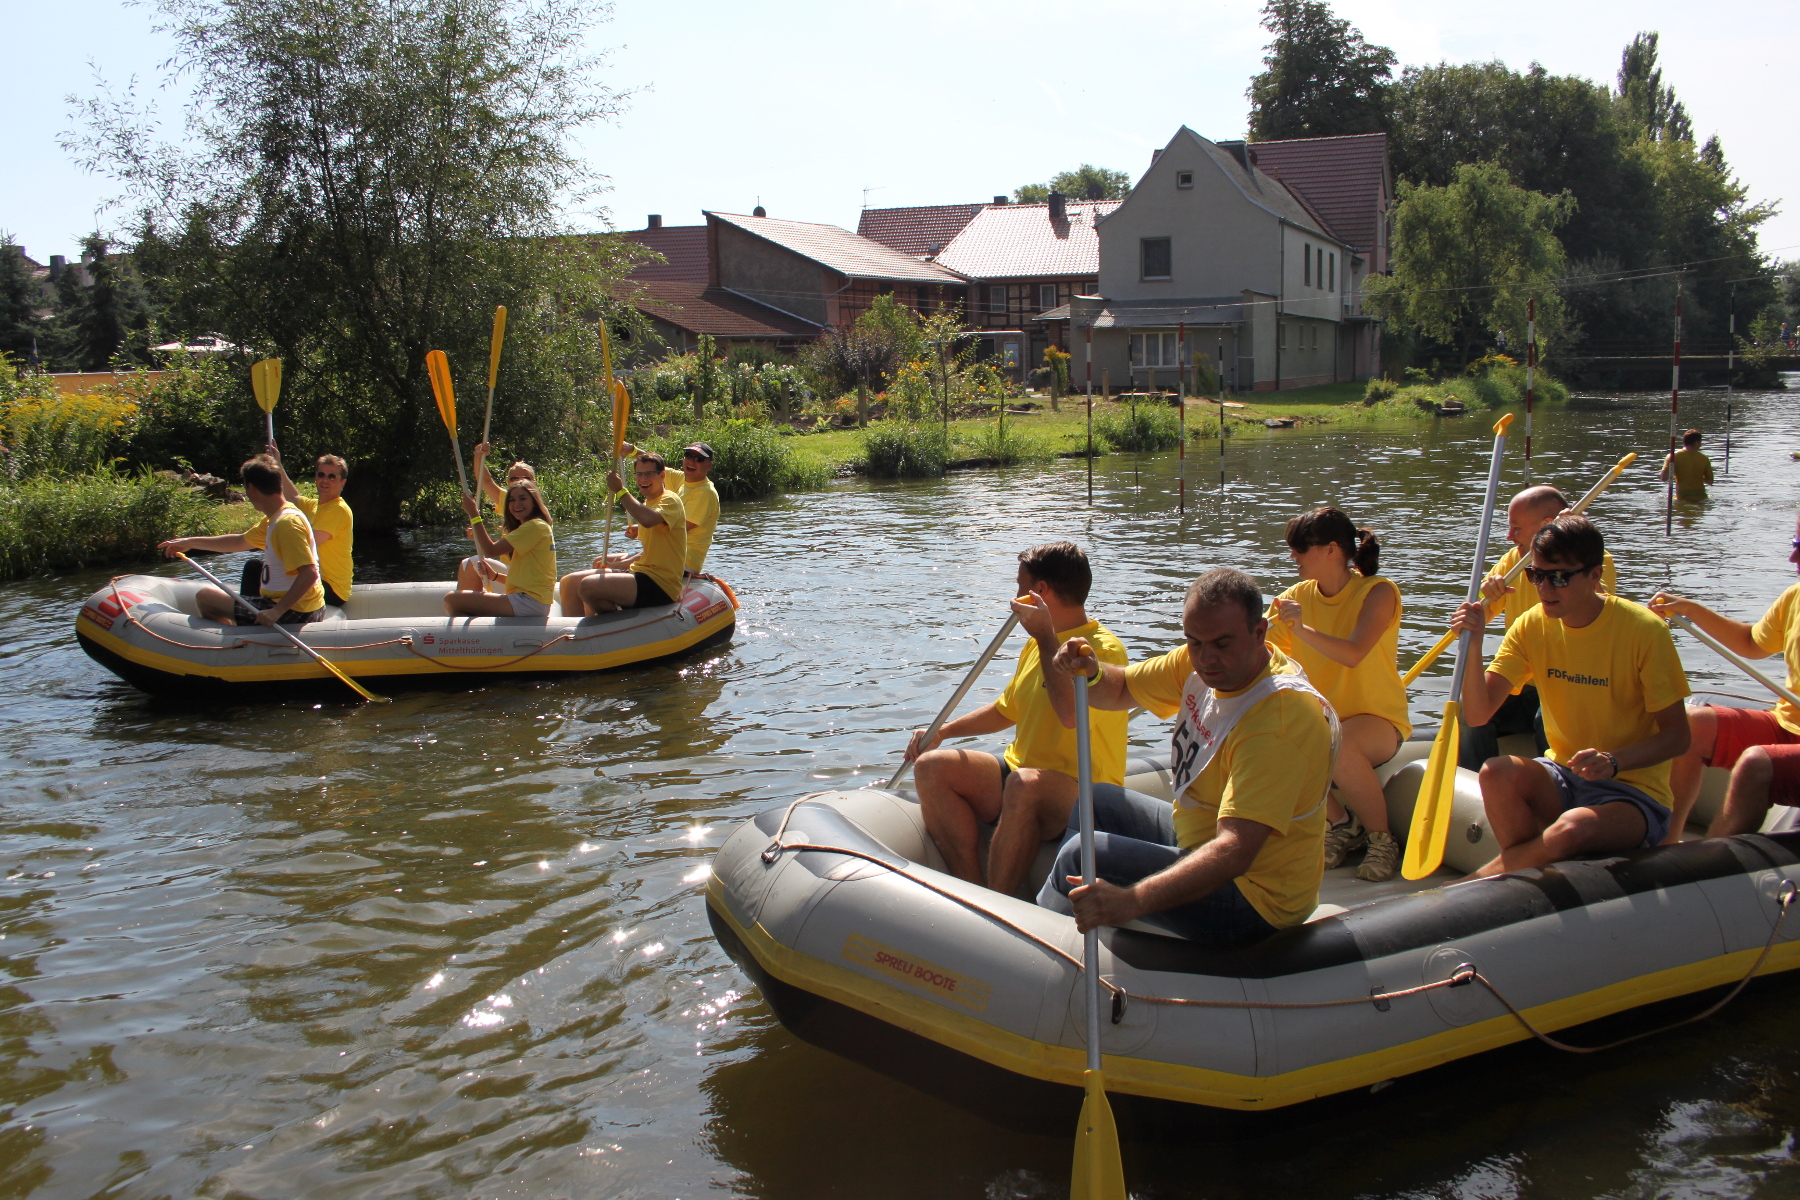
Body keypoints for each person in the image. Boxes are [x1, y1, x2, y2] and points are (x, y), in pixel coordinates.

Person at [1037, 568, 1336, 946]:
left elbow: (1234, 853)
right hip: (1198, 838)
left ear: (1260, 633)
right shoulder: (1196, 664)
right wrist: (1092, 672)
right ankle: (1079, 925)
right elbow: (1121, 689)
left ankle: (1041, 950)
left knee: (1083, 854)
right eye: (1194, 642)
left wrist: (1133, 900)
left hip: (1256, 899)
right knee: (1097, 800)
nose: (1206, 658)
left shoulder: (1280, 722)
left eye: (1222, 644)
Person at [1447, 515, 1690, 876]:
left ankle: (1481, 883)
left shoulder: (1644, 631)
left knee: (1573, 828)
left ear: (1595, 575)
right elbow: (1478, 715)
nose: (1545, 588)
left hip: (1633, 793)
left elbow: (1678, 737)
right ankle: (1530, 881)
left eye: (1559, 577)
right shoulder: (1530, 625)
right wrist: (1474, 642)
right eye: (1537, 575)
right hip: (1563, 774)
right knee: (1495, 772)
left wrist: (1614, 760)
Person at [905, 543, 1130, 894]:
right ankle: (973, 890)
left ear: (1040, 592)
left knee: (1025, 784)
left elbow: (1070, 714)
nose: (1013, 599)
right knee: (931, 767)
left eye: (1018, 588)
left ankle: (1001, 903)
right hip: (1020, 774)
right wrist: (944, 733)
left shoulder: (1102, 650)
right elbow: (1007, 710)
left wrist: (1045, 636)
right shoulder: (1033, 645)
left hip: (1083, 792)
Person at [1267, 506, 1410, 881]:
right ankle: (1343, 825)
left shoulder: (1378, 593)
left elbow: (1353, 653)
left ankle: (1383, 840)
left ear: (1332, 550)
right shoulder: (1294, 598)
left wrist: (1300, 629)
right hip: (1324, 720)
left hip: (1379, 721)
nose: (1292, 556)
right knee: (1268, 739)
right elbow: (1261, 652)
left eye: (1300, 548)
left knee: (1340, 743)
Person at [1650, 513, 1800, 839]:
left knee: (1755, 763)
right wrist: (1691, 610)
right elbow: (1751, 643)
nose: (1793, 557)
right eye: (1794, 544)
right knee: (1690, 726)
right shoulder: (1795, 596)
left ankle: (1713, 864)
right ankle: (1667, 845)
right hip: (1788, 724)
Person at [1461, 485, 1619, 772]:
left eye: (1516, 528)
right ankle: (1474, 792)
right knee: (1468, 711)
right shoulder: (1514, 559)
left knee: (1546, 718)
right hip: (1519, 682)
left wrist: (1573, 550)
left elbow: (1602, 604)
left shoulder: (1595, 562)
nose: (1509, 536)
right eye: (1536, 576)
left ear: (1547, 525)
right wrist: (1487, 595)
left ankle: (1558, 788)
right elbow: (1479, 614)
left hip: (1568, 683)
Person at [159, 455, 327, 627]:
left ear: (252, 489)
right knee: (251, 568)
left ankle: (236, 643)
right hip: (292, 606)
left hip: (297, 611)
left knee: (206, 598)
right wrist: (190, 542)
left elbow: (309, 573)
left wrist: (277, 611)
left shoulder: (287, 524)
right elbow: (239, 542)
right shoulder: (276, 518)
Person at [571, 452, 686, 615]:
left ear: (662, 476)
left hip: (660, 584)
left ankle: (610, 624)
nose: (643, 479)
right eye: (639, 474)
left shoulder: (670, 499)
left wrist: (620, 490)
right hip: (641, 574)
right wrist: (617, 565)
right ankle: (580, 630)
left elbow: (648, 519)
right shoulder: (648, 503)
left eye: (649, 474)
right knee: (571, 582)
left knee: (588, 586)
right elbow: (651, 549)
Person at [443, 480, 556, 617]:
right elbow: (528, 579)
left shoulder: (535, 526)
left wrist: (474, 515)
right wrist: (494, 576)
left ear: (534, 502)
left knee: (452, 600)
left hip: (529, 603)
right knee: (457, 601)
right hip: (528, 600)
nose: (517, 504)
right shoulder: (534, 526)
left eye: (523, 498)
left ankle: (474, 638)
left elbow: (490, 551)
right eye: (512, 500)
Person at [259, 445, 354, 607]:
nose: (325, 480)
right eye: (321, 474)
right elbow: (294, 497)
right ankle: (254, 614)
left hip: (331, 587)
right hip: (315, 578)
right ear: (316, 477)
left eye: (332, 477)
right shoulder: (314, 507)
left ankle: (258, 617)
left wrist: (273, 543)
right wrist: (278, 465)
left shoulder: (338, 510)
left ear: (342, 483)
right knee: (256, 568)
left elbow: (309, 544)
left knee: (262, 570)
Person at [458, 443, 538, 593]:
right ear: (509, 484)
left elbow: (507, 549)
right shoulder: (510, 502)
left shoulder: (536, 514)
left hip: (524, 576)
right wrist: (478, 456)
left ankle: (464, 607)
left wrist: (479, 530)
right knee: (466, 564)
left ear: (533, 482)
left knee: (473, 562)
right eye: (514, 479)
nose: (519, 482)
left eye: (525, 478)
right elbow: (485, 481)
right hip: (511, 570)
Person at [1661, 429, 1714, 501]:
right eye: (1700, 442)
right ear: (1696, 443)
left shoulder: (1673, 457)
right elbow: (1710, 481)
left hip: (1683, 497)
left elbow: (1664, 478)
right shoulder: (1704, 458)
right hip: (1701, 497)